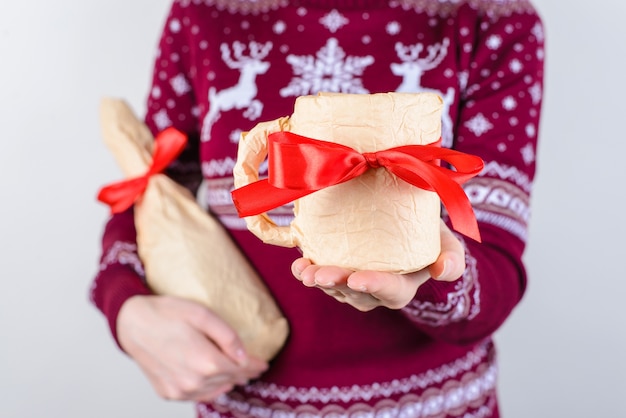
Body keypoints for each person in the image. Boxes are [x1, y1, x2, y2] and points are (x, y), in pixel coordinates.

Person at [90, 0, 545, 416]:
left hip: (438, 404)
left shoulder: (492, 20)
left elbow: (496, 265)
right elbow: (150, 190)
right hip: (245, 398)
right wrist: (126, 305)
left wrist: (438, 273)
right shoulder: (204, 12)